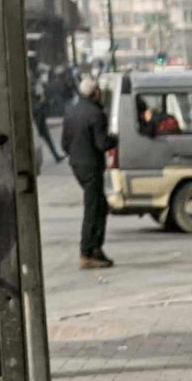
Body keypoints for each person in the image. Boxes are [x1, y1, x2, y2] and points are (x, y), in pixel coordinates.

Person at [61, 77, 116, 270]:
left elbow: (64, 144)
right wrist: (115, 140)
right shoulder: (96, 114)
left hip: (77, 166)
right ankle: (87, 252)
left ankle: (95, 248)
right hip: (92, 167)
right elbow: (102, 144)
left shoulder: (71, 112)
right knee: (93, 209)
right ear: (96, 93)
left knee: (100, 205)